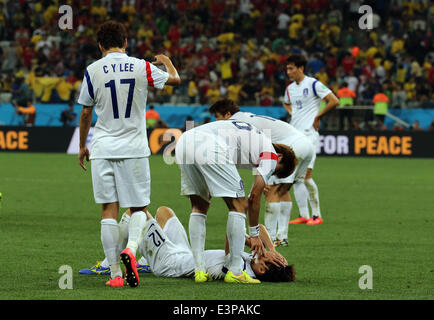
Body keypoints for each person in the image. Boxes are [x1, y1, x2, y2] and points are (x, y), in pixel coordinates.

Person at [77, 21, 180, 288]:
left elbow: (86, 111)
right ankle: (132, 250)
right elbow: (175, 80)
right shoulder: (142, 66)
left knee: (108, 210)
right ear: (125, 42)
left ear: (100, 46)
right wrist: (167, 62)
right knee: (138, 208)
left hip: (102, 148)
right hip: (134, 148)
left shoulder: (92, 70)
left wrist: (82, 145)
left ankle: (114, 275)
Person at [175, 119, 297, 283]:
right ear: (279, 157)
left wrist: (260, 183)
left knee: (199, 205)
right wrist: (254, 235)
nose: (271, 175)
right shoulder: (272, 155)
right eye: (275, 172)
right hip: (210, 146)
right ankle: (236, 271)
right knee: (239, 205)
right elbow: (253, 198)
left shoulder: (256, 142)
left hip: (185, 140)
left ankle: (199, 271)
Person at [209, 99, 314, 246]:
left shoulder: (233, 122)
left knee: (271, 191)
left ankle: (269, 238)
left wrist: (260, 179)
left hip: (290, 146)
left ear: (227, 114)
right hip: (306, 144)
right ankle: (282, 236)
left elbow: (249, 151)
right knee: (282, 191)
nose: (217, 121)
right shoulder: (247, 117)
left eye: (217, 116)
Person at [137, 206, 295, 282]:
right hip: (185, 253)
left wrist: (252, 242)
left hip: (169, 264)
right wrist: (272, 249)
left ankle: (112, 263)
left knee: (138, 212)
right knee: (164, 212)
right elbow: (259, 229)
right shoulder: (254, 263)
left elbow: (230, 233)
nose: (263, 254)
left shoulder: (240, 268)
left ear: (261, 270)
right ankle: (146, 261)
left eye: (265, 258)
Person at [283, 54, 339, 225]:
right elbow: (286, 103)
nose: (288, 72)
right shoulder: (290, 88)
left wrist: (318, 116)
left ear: (301, 68)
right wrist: (293, 113)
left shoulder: (313, 84)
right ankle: (304, 215)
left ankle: (317, 215)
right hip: (295, 134)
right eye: (287, 68)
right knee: (295, 176)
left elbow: (334, 100)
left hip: (309, 135)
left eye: (291, 68)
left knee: (306, 175)